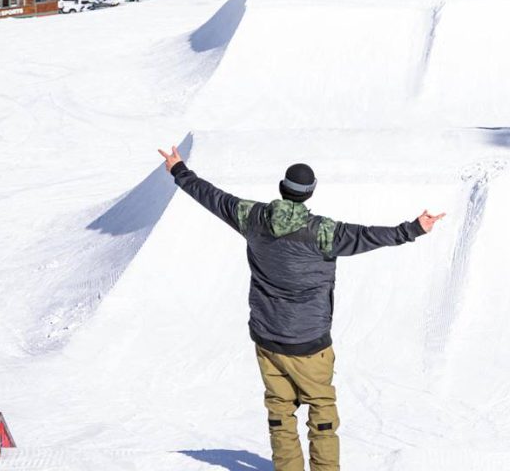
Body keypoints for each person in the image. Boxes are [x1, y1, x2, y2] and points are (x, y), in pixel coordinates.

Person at [156, 146, 445, 471]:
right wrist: (414, 229)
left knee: (280, 413)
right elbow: (367, 236)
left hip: (268, 340)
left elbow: (212, 197)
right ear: (310, 194)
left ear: (283, 188)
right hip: (310, 343)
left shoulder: (252, 217)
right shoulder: (324, 232)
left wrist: (179, 170)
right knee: (322, 413)